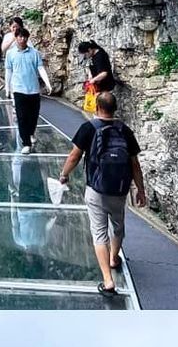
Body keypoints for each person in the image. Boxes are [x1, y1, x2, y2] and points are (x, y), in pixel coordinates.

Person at [58, 89, 146, 300]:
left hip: (96, 189)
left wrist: (64, 175)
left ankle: (108, 280)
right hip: (119, 189)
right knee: (118, 225)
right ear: (115, 109)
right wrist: (140, 190)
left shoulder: (88, 128)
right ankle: (115, 258)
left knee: (99, 233)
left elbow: (74, 156)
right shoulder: (125, 130)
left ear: (97, 108)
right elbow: (135, 164)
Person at [2, 26, 51, 154]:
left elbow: (40, 68)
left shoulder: (34, 53)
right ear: (16, 38)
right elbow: (8, 71)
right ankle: (26, 143)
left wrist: (47, 82)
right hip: (18, 89)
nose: (22, 39)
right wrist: (7, 87)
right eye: (20, 37)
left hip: (33, 89)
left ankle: (31, 133)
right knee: (21, 116)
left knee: (33, 116)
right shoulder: (10, 53)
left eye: (24, 37)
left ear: (27, 38)